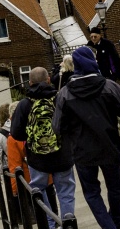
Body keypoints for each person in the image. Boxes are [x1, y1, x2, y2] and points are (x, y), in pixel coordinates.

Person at [56, 46, 120, 229]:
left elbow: (57, 127)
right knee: (115, 186)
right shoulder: (108, 86)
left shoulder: (64, 93)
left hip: (82, 151)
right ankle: (116, 223)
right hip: (109, 144)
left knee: (92, 192)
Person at [11, 67, 75, 221]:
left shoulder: (24, 105)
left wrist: (32, 136)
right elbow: (71, 124)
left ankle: (49, 227)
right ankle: (68, 226)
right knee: (65, 191)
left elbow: (15, 133)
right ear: (48, 80)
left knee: (39, 192)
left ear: (30, 83)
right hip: (62, 155)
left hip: (37, 158)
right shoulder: (60, 98)